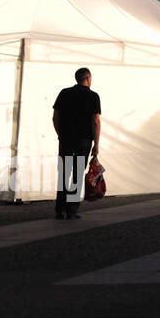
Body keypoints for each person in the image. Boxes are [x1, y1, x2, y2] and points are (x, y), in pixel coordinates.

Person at [51, 67, 101, 221]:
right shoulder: (93, 96)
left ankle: (59, 210)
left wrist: (60, 134)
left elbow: (55, 117)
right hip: (83, 142)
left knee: (64, 174)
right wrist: (96, 144)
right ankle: (71, 210)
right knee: (77, 175)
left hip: (65, 141)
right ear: (88, 78)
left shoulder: (64, 93)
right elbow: (96, 121)